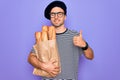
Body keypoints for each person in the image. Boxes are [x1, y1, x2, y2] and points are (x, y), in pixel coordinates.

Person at [28, 0, 94, 80]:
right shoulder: (44, 37)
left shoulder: (75, 36)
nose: (56, 17)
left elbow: (90, 56)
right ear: (50, 17)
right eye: (53, 14)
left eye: (59, 14)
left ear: (65, 16)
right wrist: (43, 66)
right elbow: (30, 58)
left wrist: (84, 45)